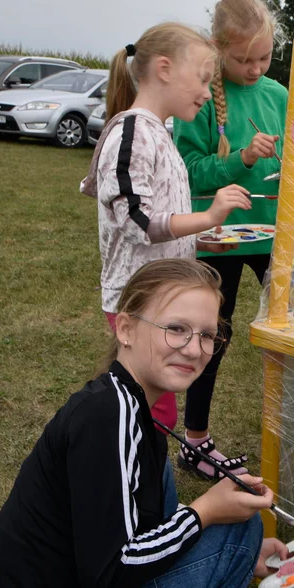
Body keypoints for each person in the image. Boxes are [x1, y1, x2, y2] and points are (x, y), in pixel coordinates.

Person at [0, 259, 288, 588]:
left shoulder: (123, 404)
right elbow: (109, 572)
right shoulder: (106, 417)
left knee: (196, 503)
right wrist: (205, 513)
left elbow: (135, 528)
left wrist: (230, 560)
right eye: (176, 329)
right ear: (127, 328)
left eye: (207, 335)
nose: (194, 349)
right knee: (239, 527)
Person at [81, 22, 252, 433]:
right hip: (140, 301)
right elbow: (137, 221)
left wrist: (203, 238)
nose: (208, 93)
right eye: (203, 79)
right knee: (149, 413)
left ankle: (144, 489)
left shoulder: (158, 134)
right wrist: (208, 216)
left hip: (161, 299)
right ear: (164, 69)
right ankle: (137, 489)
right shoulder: (132, 133)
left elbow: (161, 217)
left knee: (157, 410)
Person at [172, 0, 287, 478]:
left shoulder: (281, 96)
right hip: (215, 236)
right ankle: (195, 441)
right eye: (243, 59)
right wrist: (240, 158)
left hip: (273, 237)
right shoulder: (199, 98)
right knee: (212, 334)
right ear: (219, 50)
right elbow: (189, 172)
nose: (256, 68)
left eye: (264, 57)